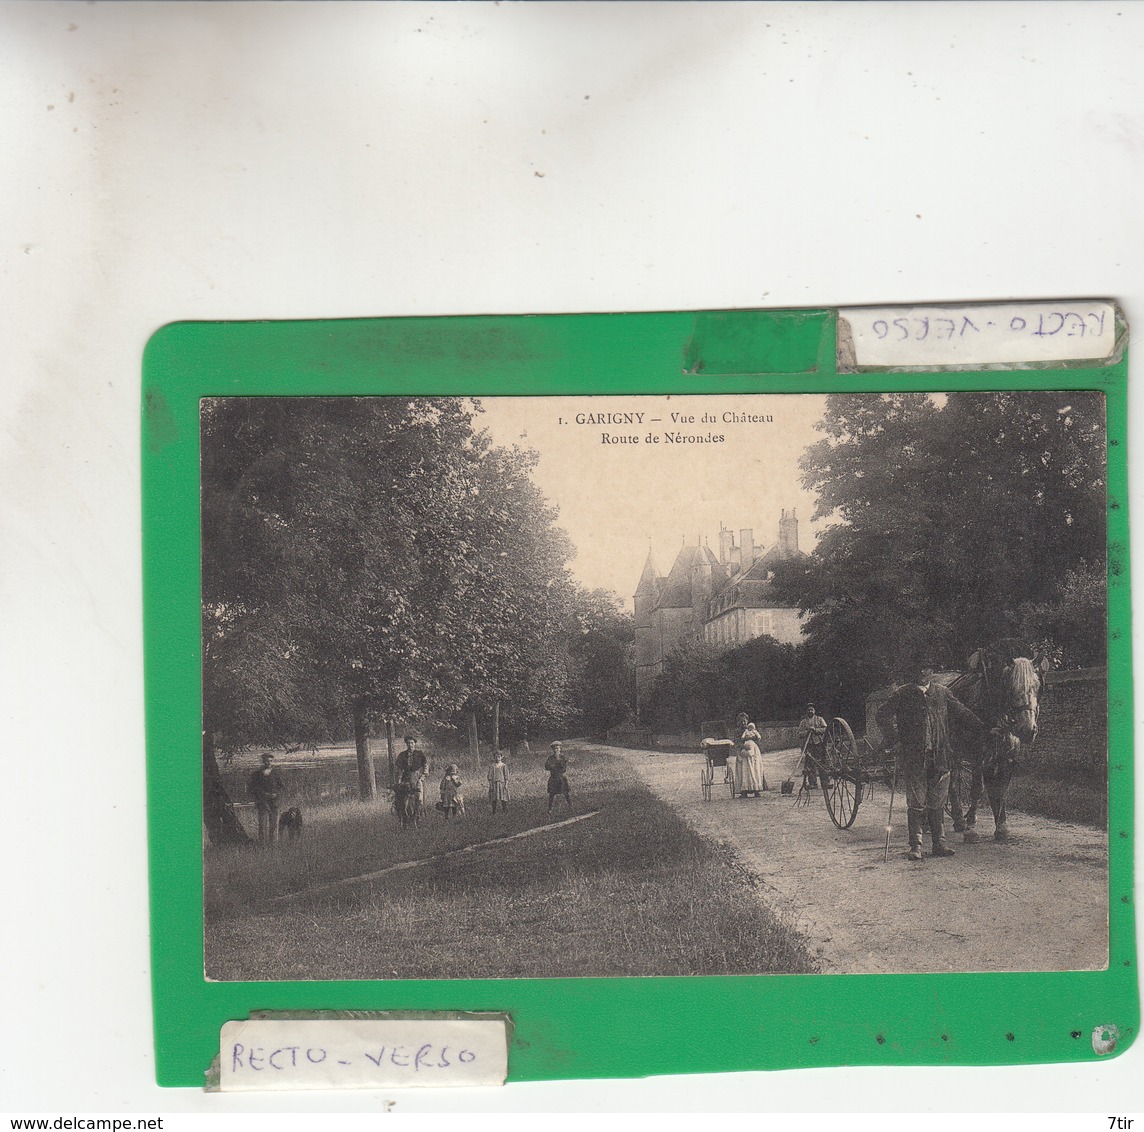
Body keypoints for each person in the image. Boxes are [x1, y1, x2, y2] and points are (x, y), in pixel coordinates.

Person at [876, 663, 988, 861]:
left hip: (941, 757)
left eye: (925, 668)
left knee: (937, 801)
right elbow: (881, 714)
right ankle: (916, 846)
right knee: (917, 802)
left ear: (931, 672)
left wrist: (985, 729)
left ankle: (939, 844)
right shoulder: (902, 694)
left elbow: (962, 713)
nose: (921, 672)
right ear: (911, 672)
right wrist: (895, 738)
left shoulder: (942, 693)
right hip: (914, 757)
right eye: (917, 669)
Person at [248, 751, 285, 845]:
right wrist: (263, 794)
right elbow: (252, 788)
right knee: (262, 825)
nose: (269, 763)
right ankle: (262, 845)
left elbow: (282, 787)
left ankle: (273, 845)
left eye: (270, 761)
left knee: (274, 825)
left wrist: (276, 794)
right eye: (266, 761)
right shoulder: (256, 774)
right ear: (263, 761)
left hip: (274, 802)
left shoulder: (276, 773)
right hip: (262, 802)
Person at [733, 712, 766, 798]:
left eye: (744, 721)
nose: (743, 723)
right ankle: (744, 791)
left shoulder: (752, 730)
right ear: (738, 723)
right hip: (743, 753)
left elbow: (758, 739)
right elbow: (737, 743)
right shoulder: (738, 732)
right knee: (744, 771)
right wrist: (741, 750)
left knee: (755, 770)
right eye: (741, 722)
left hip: (753, 753)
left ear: (747, 721)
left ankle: (756, 789)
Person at [394, 734, 429, 809]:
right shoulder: (402, 755)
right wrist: (399, 780)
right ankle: (401, 812)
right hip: (406, 777)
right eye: (408, 743)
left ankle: (419, 810)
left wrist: (423, 776)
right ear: (406, 744)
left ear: (415, 743)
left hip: (417, 778)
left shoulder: (419, 754)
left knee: (419, 796)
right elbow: (399, 769)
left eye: (412, 743)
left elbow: (425, 765)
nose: (410, 745)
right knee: (400, 795)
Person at [798, 703, 827, 788]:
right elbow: (799, 734)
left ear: (814, 711)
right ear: (806, 711)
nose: (810, 711)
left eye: (812, 709)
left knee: (821, 763)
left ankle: (825, 782)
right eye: (808, 710)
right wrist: (807, 732)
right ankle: (813, 783)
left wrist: (815, 730)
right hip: (808, 746)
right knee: (810, 765)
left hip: (818, 744)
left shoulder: (820, 719)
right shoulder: (803, 722)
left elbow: (825, 729)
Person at [544, 741, 572, 813]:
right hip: (553, 778)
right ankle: (550, 809)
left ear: (560, 749)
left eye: (557, 748)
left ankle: (570, 806)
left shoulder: (563, 757)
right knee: (552, 794)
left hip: (561, 777)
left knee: (565, 793)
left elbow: (563, 767)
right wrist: (554, 766)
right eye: (554, 749)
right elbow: (547, 766)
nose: (556, 750)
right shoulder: (550, 758)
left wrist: (554, 766)